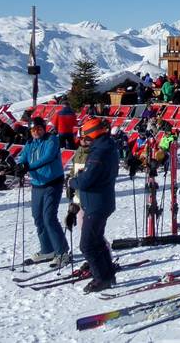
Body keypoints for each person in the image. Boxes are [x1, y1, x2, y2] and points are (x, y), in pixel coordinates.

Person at [69, 117, 119, 292]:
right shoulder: (105, 147)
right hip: (100, 201)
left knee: (87, 245)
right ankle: (108, 275)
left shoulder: (99, 152)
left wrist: (73, 182)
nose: (84, 140)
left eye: (86, 136)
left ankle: (101, 278)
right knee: (96, 241)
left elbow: (87, 180)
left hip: (96, 203)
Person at [16, 117, 70, 267]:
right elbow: (23, 157)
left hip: (52, 183)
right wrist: (20, 166)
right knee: (38, 218)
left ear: (44, 128)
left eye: (39, 129)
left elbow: (48, 157)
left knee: (49, 217)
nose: (36, 132)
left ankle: (62, 252)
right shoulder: (30, 143)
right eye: (33, 130)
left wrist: (29, 167)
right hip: (37, 184)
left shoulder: (51, 140)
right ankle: (47, 250)